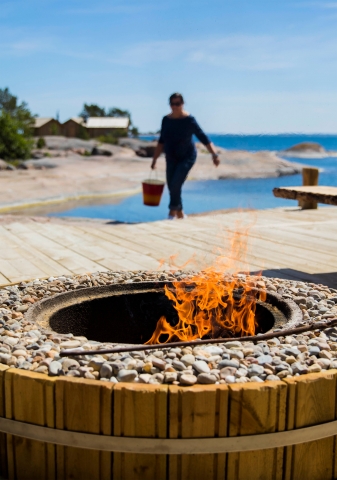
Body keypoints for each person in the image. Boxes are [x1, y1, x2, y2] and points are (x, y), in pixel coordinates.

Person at [151, 93, 220, 219]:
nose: (175, 107)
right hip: (171, 157)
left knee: (176, 182)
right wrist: (154, 160)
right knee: (172, 185)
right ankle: (180, 213)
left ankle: (171, 213)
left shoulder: (189, 120)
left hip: (187, 156)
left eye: (178, 104)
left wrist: (214, 154)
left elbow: (204, 138)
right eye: (172, 104)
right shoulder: (166, 120)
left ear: (182, 104)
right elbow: (161, 141)